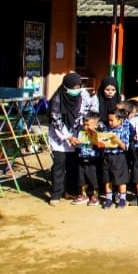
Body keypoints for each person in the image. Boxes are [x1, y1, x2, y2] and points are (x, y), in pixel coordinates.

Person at [48, 72, 92, 206]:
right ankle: (56, 193)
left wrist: (81, 132)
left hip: (77, 132)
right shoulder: (57, 98)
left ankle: (70, 190)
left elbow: (86, 112)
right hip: (59, 135)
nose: (75, 90)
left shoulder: (84, 95)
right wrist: (67, 137)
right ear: (66, 87)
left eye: (78, 87)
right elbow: (56, 120)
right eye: (73, 88)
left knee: (73, 164)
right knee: (59, 164)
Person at [72, 112, 102, 206]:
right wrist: (76, 143)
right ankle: (83, 195)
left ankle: (95, 196)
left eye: (88, 125)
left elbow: (101, 145)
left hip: (93, 160)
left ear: (96, 125)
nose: (85, 127)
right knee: (81, 179)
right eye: (84, 124)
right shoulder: (81, 133)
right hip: (81, 158)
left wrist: (95, 137)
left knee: (94, 179)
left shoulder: (98, 134)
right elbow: (78, 146)